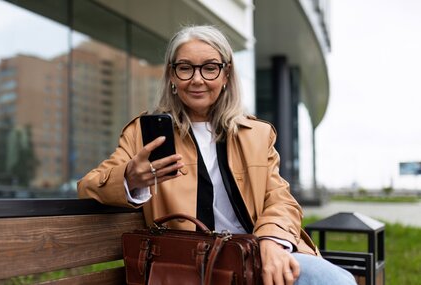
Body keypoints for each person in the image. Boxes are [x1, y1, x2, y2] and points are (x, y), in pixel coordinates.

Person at [78, 25, 356, 285]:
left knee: (337, 281)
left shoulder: (256, 134)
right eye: (185, 68)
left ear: (226, 74)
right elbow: (89, 185)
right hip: (186, 263)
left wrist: (271, 241)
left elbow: (280, 199)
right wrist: (129, 178)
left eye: (210, 68)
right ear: (172, 75)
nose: (197, 79)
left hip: (253, 252)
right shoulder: (144, 133)